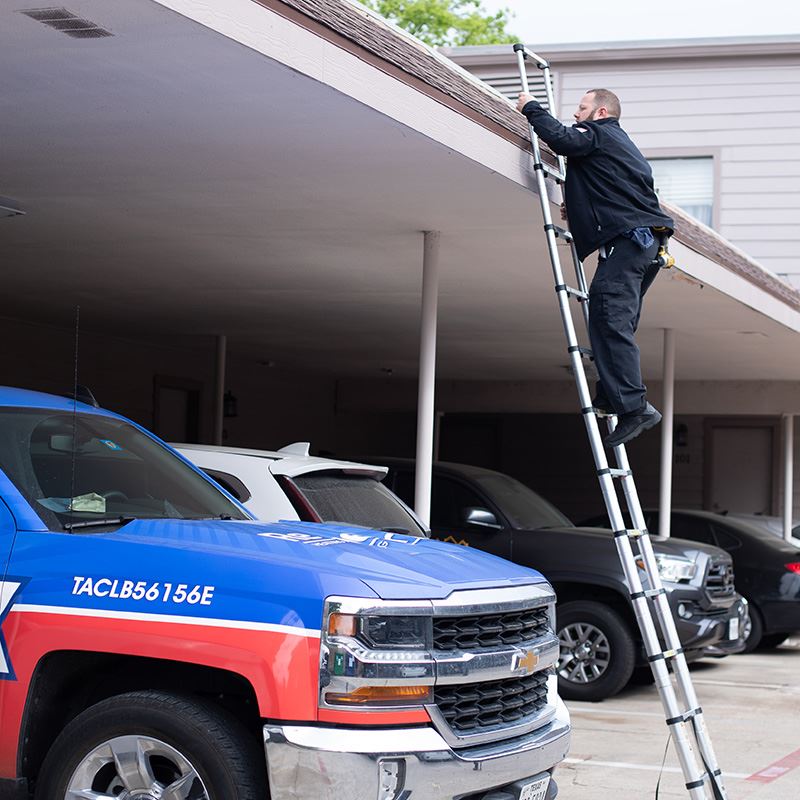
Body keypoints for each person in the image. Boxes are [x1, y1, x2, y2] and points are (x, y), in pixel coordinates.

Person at [516, 88, 673, 448]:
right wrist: (580, 208)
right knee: (614, 321)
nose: (576, 114)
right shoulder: (616, 145)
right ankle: (611, 395)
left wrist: (532, 108)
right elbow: (609, 187)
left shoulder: (599, 134)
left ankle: (634, 407)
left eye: (582, 108)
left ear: (601, 112)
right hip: (643, 244)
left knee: (607, 314)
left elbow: (562, 138)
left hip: (630, 241)